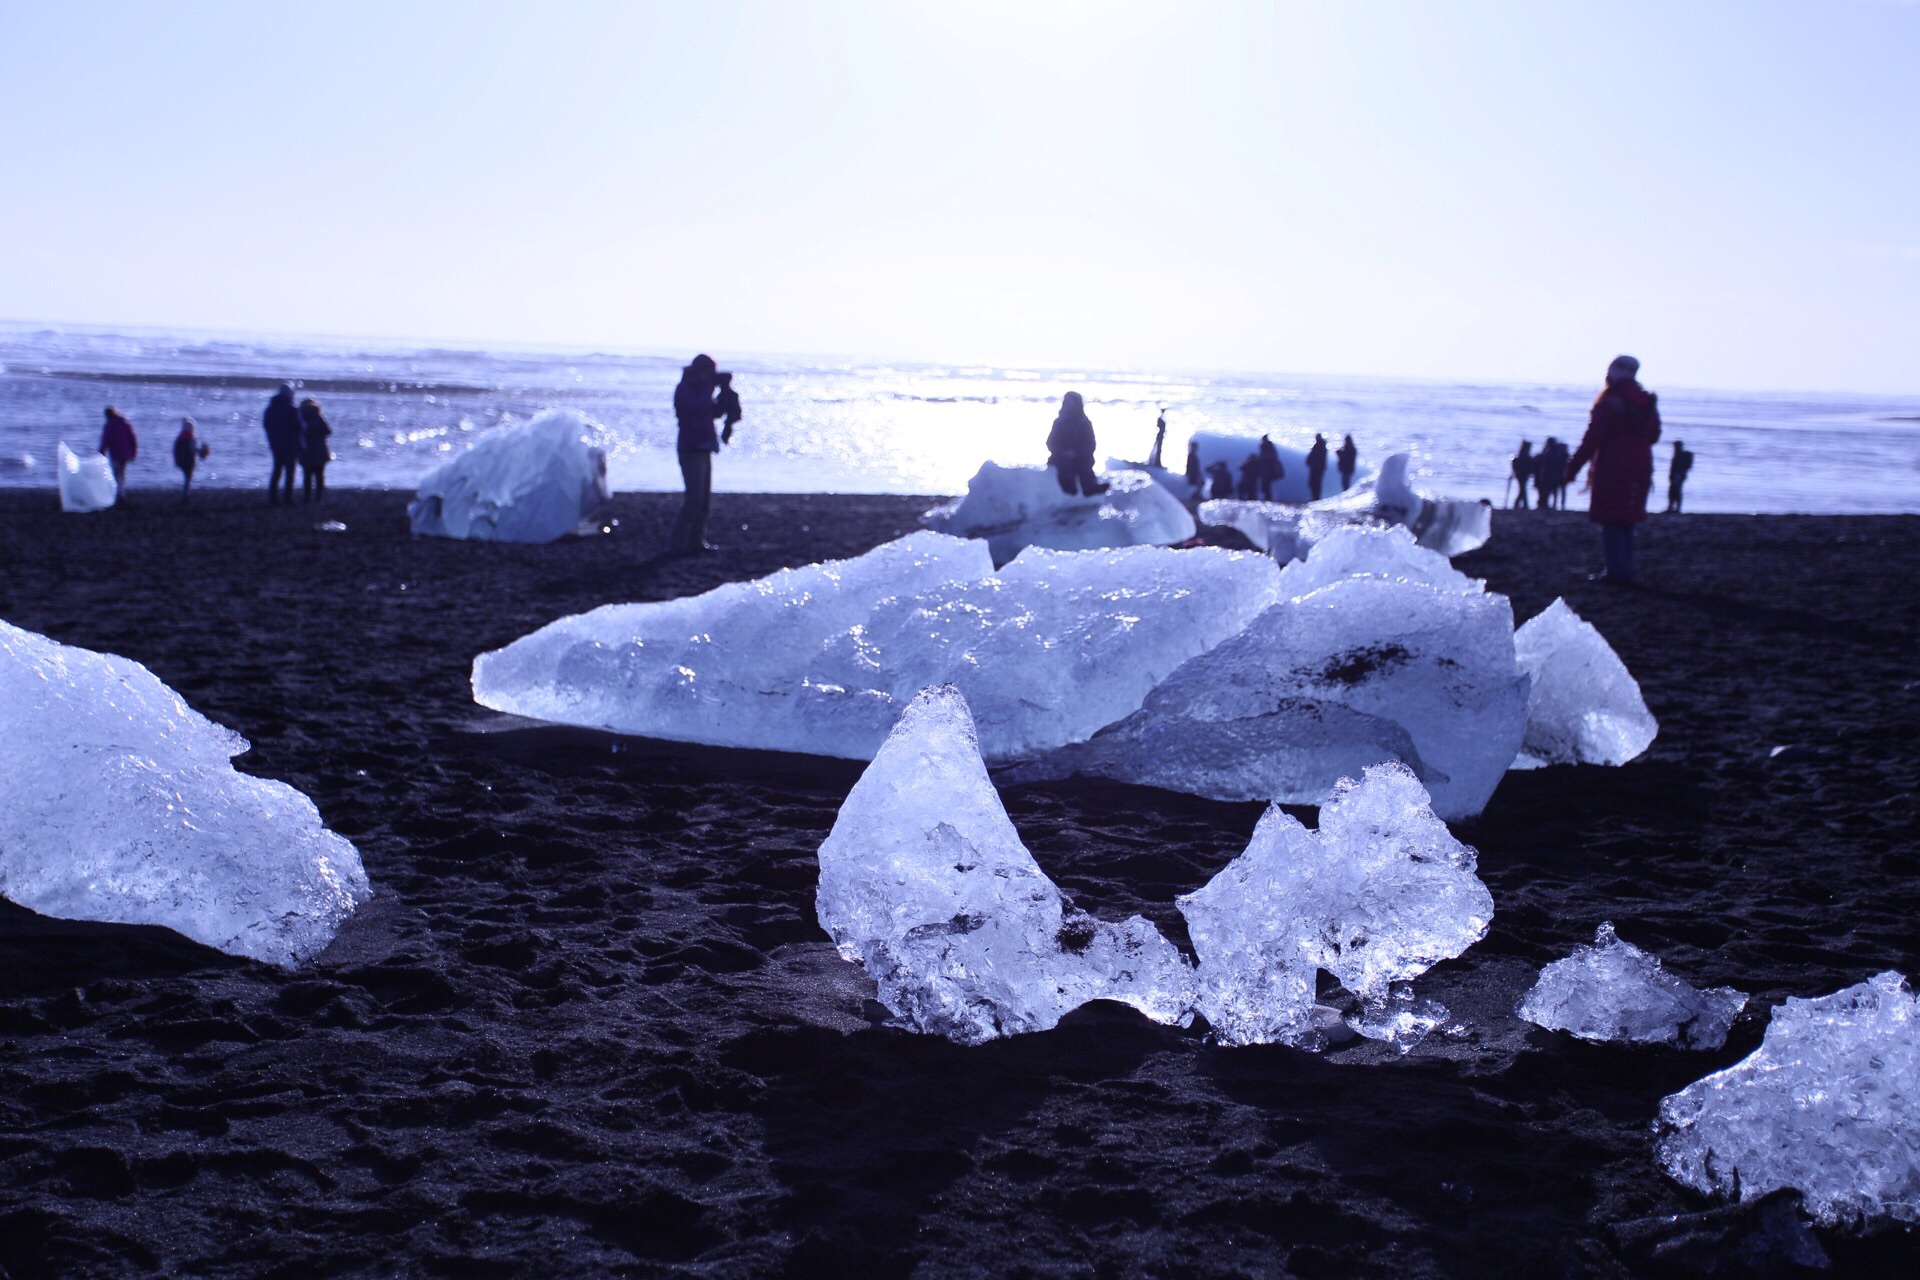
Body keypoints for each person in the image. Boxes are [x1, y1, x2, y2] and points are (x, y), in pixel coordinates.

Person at [1565, 355, 1662, 584]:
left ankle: (1616, 572)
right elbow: (1654, 436)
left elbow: (1592, 438)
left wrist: (1571, 470)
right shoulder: (1646, 401)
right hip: (1641, 465)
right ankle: (1624, 569)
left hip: (1613, 466)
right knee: (1626, 520)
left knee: (1611, 519)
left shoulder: (1610, 400)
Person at [669, 354, 727, 553]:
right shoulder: (685, 388)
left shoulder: (701, 388)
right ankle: (676, 543)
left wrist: (724, 398)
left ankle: (696, 541)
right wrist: (710, 388)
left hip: (703, 446)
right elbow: (695, 409)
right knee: (693, 499)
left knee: (703, 500)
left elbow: (712, 412)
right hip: (690, 447)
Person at [1045, 391, 1108, 496]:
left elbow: (1091, 445)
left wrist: (1077, 453)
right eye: (1068, 402)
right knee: (1065, 466)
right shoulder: (1059, 422)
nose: (1070, 405)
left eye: (1072, 402)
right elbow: (1050, 442)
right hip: (1060, 458)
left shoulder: (1085, 423)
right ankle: (1069, 489)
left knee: (1086, 466)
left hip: (1080, 457)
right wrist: (1063, 453)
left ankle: (1090, 488)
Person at [263, 383, 302, 505]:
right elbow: (298, 426)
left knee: (276, 471)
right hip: (290, 444)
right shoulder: (291, 409)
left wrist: (272, 437)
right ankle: (287, 498)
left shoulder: (270, 409)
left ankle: (273, 498)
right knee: (290, 472)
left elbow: (266, 425)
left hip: (276, 444)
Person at [298, 398, 333, 504]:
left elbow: (296, 432)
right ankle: (318, 497)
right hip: (320, 450)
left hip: (306, 451)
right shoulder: (318, 417)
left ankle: (307, 497)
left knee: (307, 476)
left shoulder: (301, 418)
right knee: (319, 476)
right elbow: (328, 431)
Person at [99, 407, 137, 499]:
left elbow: (105, 441)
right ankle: (121, 492)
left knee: (116, 473)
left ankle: (119, 494)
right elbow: (133, 439)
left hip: (115, 453)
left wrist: (101, 453)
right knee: (122, 473)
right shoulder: (125, 423)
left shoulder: (109, 426)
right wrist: (133, 452)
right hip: (125, 453)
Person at [172, 417, 210, 502]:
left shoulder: (179, 438)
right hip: (189, 462)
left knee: (186, 477)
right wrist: (202, 449)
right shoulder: (191, 439)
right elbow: (193, 450)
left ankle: (185, 494)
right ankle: (185, 495)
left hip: (181, 461)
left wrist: (176, 460)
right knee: (188, 479)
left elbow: (175, 450)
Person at [1535, 436, 1567, 510]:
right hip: (1555, 475)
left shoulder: (1548, 453)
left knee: (1550, 491)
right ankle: (1556, 505)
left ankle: (1552, 505)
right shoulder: (1557, 453)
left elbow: (1545, 466)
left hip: (1551, 475)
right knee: (1554, 491)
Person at [1667, 440, 1694, 513]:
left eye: (1675, 446)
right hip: (1678, 476)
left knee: (1676, 491)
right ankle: (1673, 507)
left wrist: (1676, 476)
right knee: (1675, 491)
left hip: (1678, 476)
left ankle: (1675, 508)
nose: (1674, 448)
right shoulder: (1678, 455)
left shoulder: (1680, 456)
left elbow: (1678, 467)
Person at [715, 372, 743, 445]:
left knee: (728, 424)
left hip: (733, 413)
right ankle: (725, 439)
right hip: (733, 413)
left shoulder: (728, 394)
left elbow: (719, 412)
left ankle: (725, 439)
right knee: (728, 424)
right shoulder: (727, 394)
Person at [1257, 435, 1284, 500]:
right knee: (1265, 485)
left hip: (1268, 470)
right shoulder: (1268, 448)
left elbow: (1269, 458)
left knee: (1265, 484)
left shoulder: (1267, 448)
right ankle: (1267, 498)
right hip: (1267, 470)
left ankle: (1268, 498)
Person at [1510, 440, 1536, 509]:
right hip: (1522, 475)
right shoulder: (1524, 457)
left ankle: (1519, 503)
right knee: (1523, 489)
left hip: (1523, 475)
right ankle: (1524, 504)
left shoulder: (1524, 457)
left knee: (1522, 489)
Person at [1305, 433, 1329, 501]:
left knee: (1315, 483)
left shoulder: (1319, 447)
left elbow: (1315, 457)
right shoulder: (1321, 446)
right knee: (1315, 483)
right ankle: (1315, 497)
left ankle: (1316, 498)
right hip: (1317, 467)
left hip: (1317, 468)